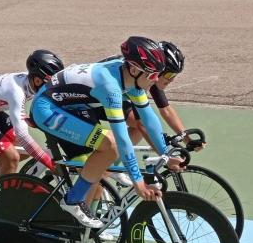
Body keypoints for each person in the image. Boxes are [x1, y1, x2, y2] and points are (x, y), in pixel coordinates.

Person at [30, 36, 184, 228]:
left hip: (70, 106)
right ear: (135, 69)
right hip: (47, 109)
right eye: (152, 75)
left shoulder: (131, 78)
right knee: (110, 145)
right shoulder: (110, 87)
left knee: (110, 146)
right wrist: (138, 182)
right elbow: (121, 139)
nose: (155, 80)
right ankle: (73, 200)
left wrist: (166, 154)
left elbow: (149, 119)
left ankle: (85, 188)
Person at [125, 41, 206, 151]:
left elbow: (166, 110)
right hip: (99, 101)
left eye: (174, 75)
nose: (172, 80)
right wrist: (164, 153)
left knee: (140, 126)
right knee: (140, 122)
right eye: (169, 75)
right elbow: (143, 123)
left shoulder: (151, 77)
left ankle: (111, 161)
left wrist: (187, 140)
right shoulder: (141, 76)